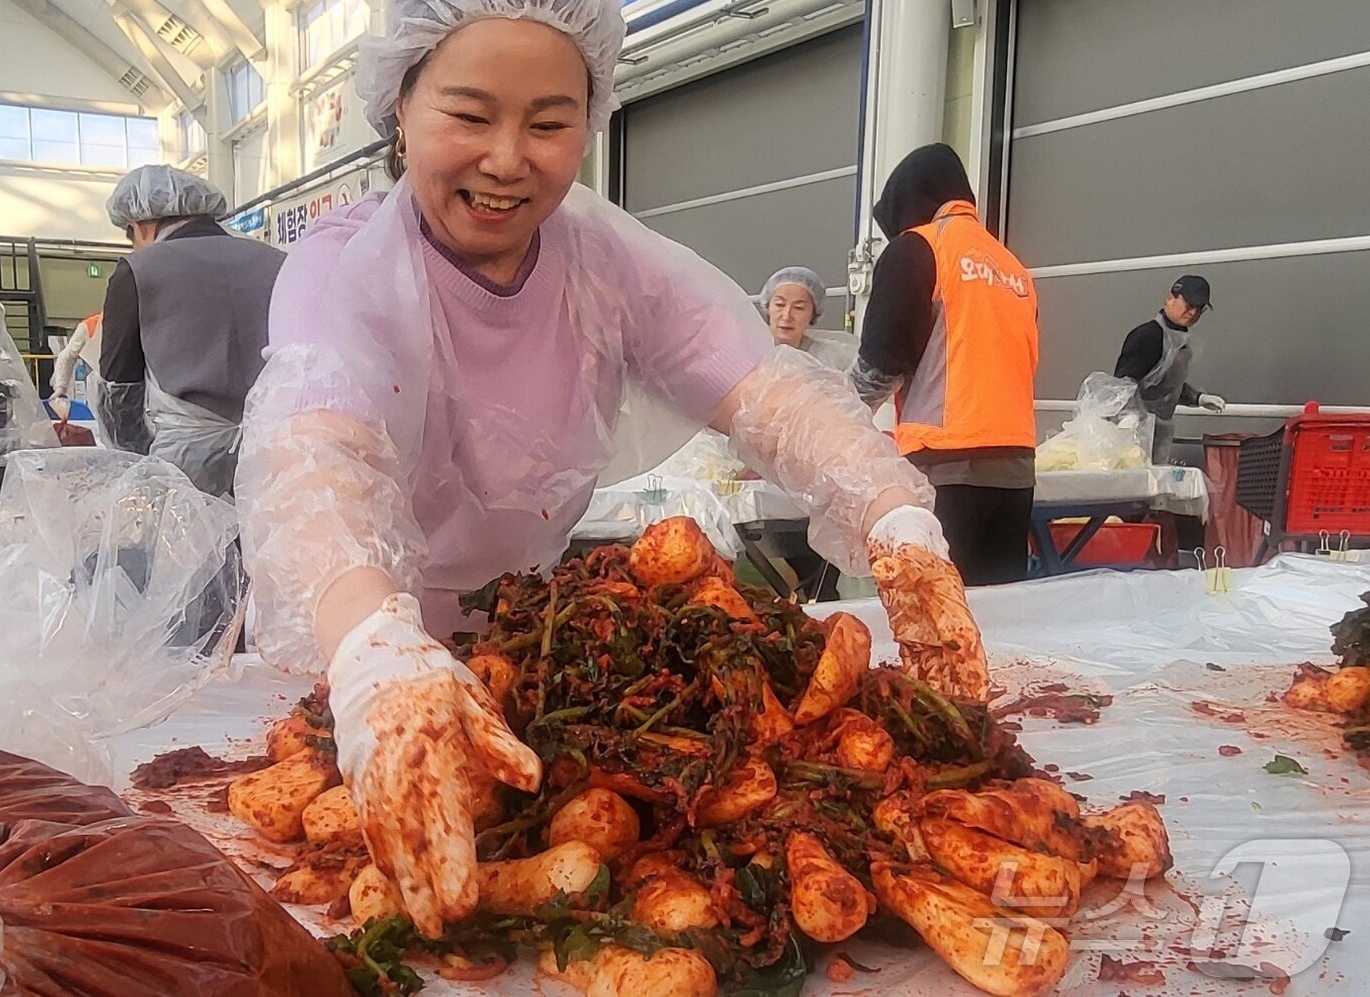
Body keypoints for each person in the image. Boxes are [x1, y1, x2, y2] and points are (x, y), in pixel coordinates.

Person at [235, 0, 983, 939]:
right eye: (469, 115)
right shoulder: (344, 268)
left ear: (588, 126)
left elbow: (768, 395)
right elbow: (314, 462)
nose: (507, 159)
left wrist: (893, 513)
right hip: (360, 667)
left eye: (549, 124)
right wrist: (369, 651)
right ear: (400, 107)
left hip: (534, 658)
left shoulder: (605, 260)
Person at [849, 143, 1040, 587]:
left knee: (934, 603)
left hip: (944, 463)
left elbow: (881, 362)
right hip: (1015, 466)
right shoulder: (1012, 267)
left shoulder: (920, 248)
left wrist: (833, 420)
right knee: (999, 607)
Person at [98, 165, 285, 497]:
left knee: (183, 531)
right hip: (275, 454)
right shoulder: (279, 261)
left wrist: (133, 463)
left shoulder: (137, 270)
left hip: (184, 467)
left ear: (139, 225)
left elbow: (119, 391)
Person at [1113, 275, 1225, 465]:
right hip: (1130, 430)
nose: (1193, 312)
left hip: (1159, 431)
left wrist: (1198, 398)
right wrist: (1128, 416)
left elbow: (1166, 385)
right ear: (1170, 298)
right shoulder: (1148, 336)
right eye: (1189, 305)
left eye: (1199, 308)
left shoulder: (1182, 344)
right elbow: (1122, 384)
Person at [757, 267, 857, 371]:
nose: (786, 316)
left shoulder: (834, 359)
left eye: (798, 308)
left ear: (813, 314)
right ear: (767, 307)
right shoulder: (750, 351)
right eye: (779, 304)